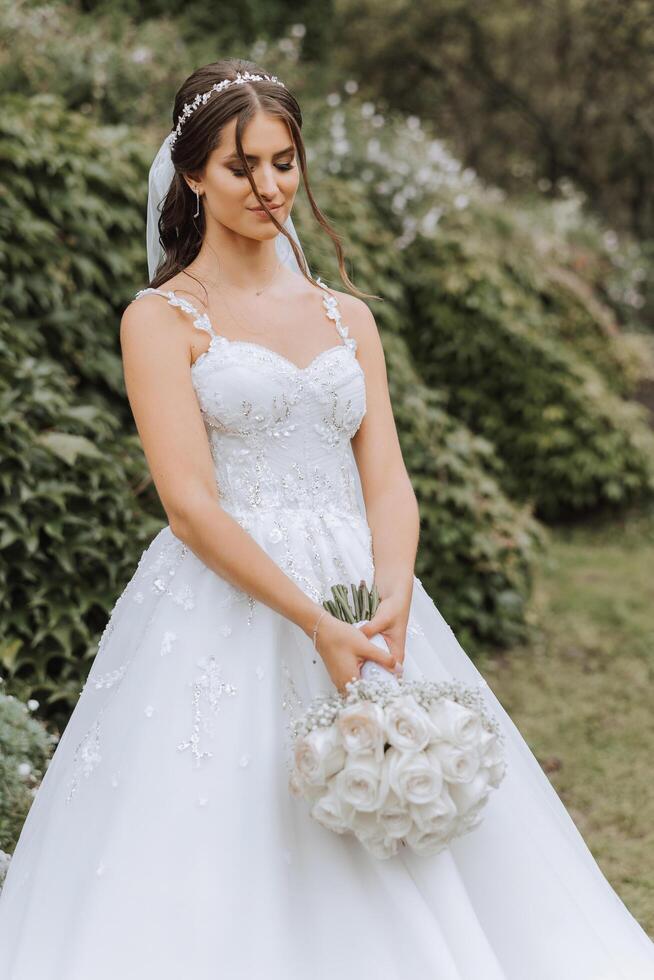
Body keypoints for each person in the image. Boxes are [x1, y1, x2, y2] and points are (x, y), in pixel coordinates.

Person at [0, 57, 652, 980]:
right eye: (241, 168)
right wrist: (313, 620)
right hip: (228, 593)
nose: (269, 188)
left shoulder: (348, 316)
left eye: (284, 161)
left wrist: (389, 599)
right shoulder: (161, 318)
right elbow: (188, 505)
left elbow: (385, 475)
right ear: (190, 174)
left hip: (365, 590)